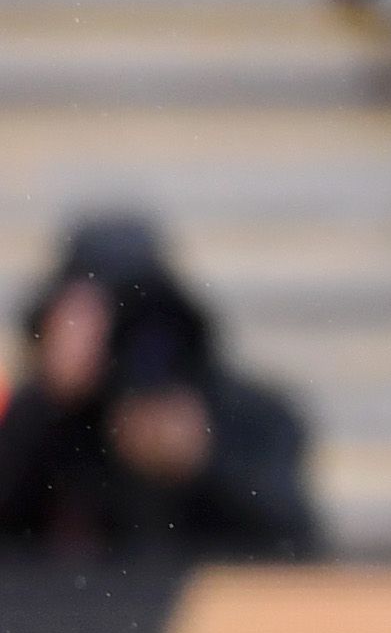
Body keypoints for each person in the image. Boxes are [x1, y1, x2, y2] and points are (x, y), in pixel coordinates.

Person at [0, 218, 319, 559]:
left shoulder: (249, 413)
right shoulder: (56, 420)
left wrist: (203, 464)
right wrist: (53, 401)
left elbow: (296, 540)